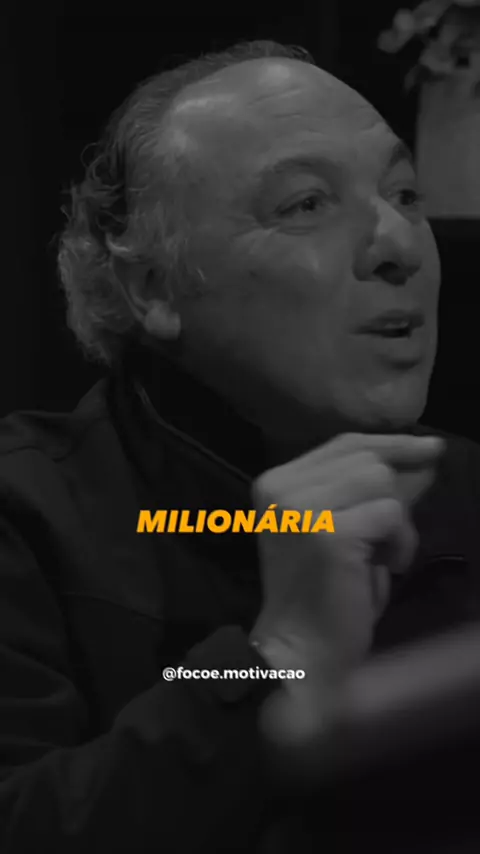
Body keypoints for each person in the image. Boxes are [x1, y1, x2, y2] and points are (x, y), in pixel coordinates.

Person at [1, 39, 480, 854]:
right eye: (306, 204)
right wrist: (271, 661)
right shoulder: (30, 517)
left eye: (405, 193)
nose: (398, 243)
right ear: (152, 287)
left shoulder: (466, 487)